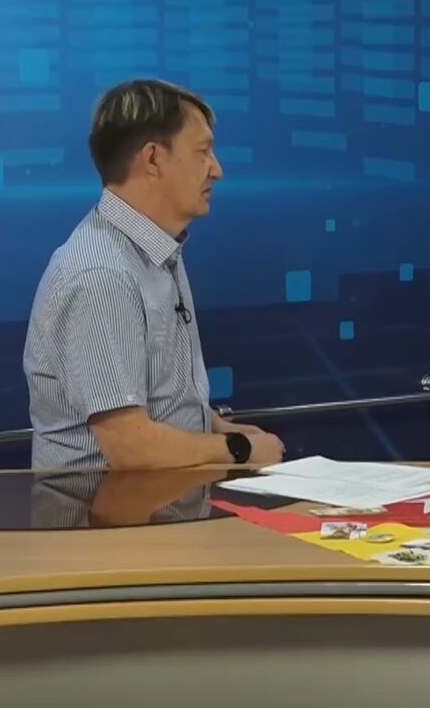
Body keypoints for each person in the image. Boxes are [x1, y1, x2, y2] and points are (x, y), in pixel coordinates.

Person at [24, 79, 285, 472]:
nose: (217, 170)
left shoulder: (156, 249)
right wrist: (238, 449)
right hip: (104, 510)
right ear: (152, 159)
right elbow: (131, 448)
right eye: (203, 152)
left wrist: (215, 426)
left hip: (171, 504)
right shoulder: (101, 276)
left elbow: (157, 398)